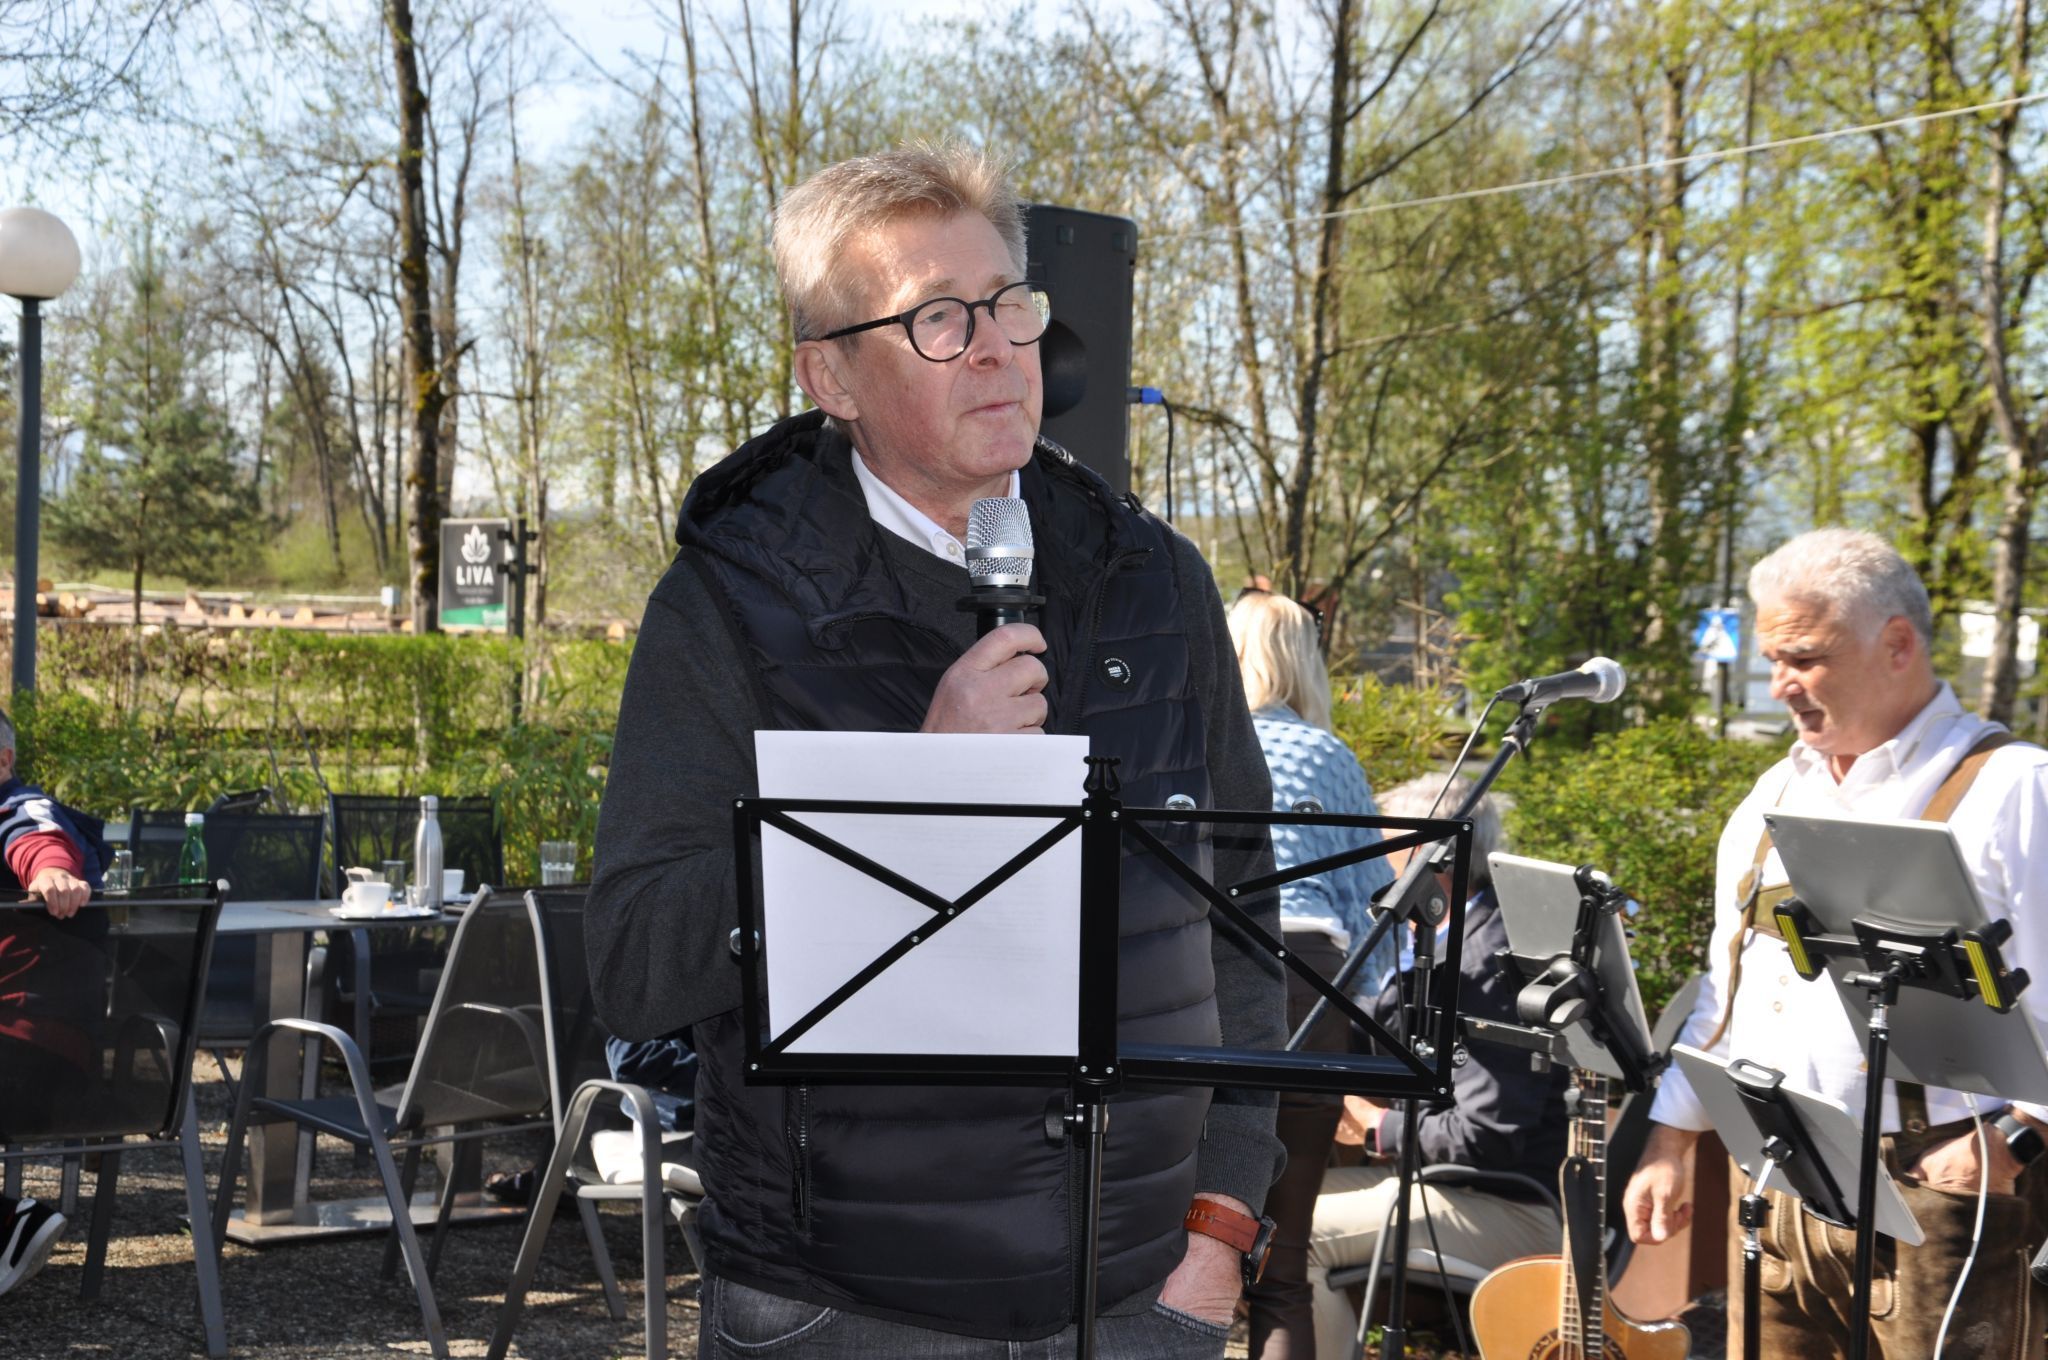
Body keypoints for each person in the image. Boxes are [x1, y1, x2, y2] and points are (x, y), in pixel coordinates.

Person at [585, 142, 1287, 1358]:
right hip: (842, 1311)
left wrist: (1220, 1226)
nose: (997, 347)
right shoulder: (727, 605)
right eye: (938, 319)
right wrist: (915, 786)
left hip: (1136, 1303)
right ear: (832, 376)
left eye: (1009, 304)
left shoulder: (1158, 583)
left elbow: (1241, 924)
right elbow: (639, 961)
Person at [1622, 527, 2048, 1357]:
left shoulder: (2012, 789)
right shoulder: (1774, 791)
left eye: (1805, 657)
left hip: (1942, 1193)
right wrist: (1671, 1136)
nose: (1781, 684)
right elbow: (1725, 989)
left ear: (1896, 645)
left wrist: (2015, 1139)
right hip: (1778, 1185)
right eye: (1773, 658)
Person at [1304, 774, 1569, 1359]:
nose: (1383, 862)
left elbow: (1487, 1136)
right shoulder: (1450, 935)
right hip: (1453, 1186)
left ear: (1434, 855)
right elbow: (1378, 1034)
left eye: (1391, 846)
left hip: (1513, 1209)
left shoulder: (1485, 964)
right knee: (1280, 1206)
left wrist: (1377, 1128)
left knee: (1294, 1238)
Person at [1227, 588, 1394, 1359]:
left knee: (1167, 1238)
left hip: (1211, 969)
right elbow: (1371, 913)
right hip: (1311, 978)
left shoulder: (1198, 742)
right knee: (1283, 1260)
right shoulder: (1329, 756)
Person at [0, 705, 112, 1297]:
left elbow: (35, 839)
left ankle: (12, 1223)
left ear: (3, 760)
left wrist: (52, 875)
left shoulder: (21, 808)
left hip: (36, 1057)